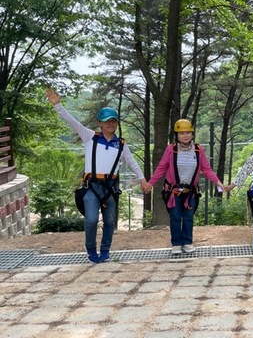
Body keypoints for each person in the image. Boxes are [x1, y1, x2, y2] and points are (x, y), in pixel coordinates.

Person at [46, 89, 148, 264]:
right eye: (107, 121)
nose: (111, 124)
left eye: (114, 121)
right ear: (100, 123)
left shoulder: (121, 144)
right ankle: (91, 249)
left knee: (109, 220)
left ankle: (105, 250)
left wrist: (142, 179)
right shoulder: (90, 137)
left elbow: (132, 162)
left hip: (110, 188)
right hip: (92, 186)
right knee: (91, 219)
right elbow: (73, 122)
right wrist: (58, 105)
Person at [142, 119, 226, 255]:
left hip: (191, 191)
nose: (185, 135)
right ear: (176, 135)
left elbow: (207, 169)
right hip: (173, 190)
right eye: (181, 133)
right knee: (175, 216)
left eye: (188, 132)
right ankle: (176, 243)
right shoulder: (171, 149)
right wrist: (150, 183)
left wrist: (218, 182)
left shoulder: (198, 150)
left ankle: (187, 241)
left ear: (192, 134)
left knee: (188, 217)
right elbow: (161, 168)